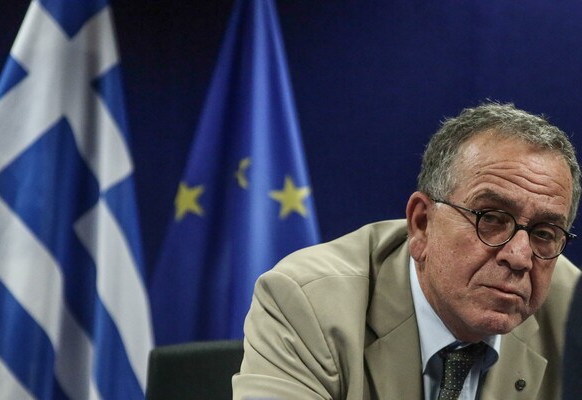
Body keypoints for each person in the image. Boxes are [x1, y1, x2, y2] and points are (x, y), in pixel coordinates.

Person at [232, 102, 582, 400]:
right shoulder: (309, 302)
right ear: (422, 224)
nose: (519, 257)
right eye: (490, 218)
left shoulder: (573, 314)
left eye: (544, 233)